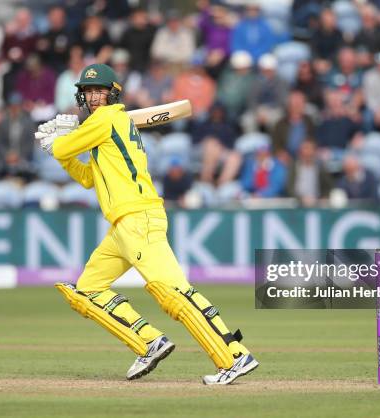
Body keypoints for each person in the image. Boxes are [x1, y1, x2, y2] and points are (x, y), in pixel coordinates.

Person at [37, 63, 258, 384]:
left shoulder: (106, 119)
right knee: (86, 290)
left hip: (138, 218)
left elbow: (61, 145)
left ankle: (234, 355)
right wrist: (62, 152)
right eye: (87, 91)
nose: (93, 96)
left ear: (111, 94)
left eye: (99, 90)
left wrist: (55, 140)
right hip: (122, 226)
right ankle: (149, 342)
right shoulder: (109, 126)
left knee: (171, 292)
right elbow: (88, 178)